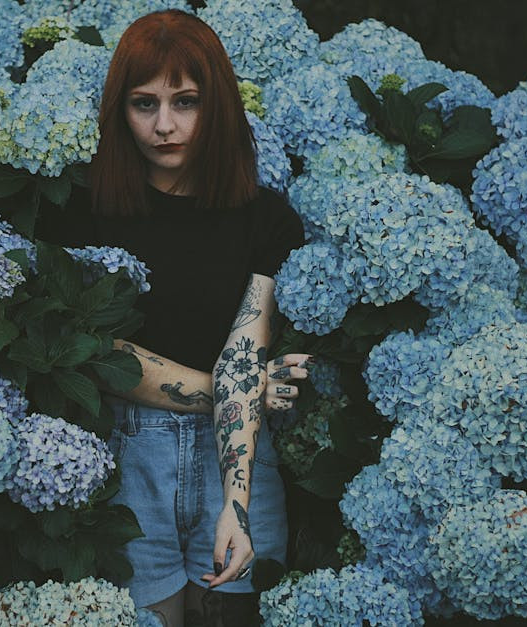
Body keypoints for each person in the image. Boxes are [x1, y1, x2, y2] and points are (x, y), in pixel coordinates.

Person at [36, 9, 308, 626]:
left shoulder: (266, 220)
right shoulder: (81, 215)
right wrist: (242, 396)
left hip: (236, 461)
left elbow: (244, 348)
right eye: (144, 103)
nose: (164, 125)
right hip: (129, 460)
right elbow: (93, 354)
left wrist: (235, 506)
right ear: (120, 111)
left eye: (186, 102)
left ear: (219, 107)